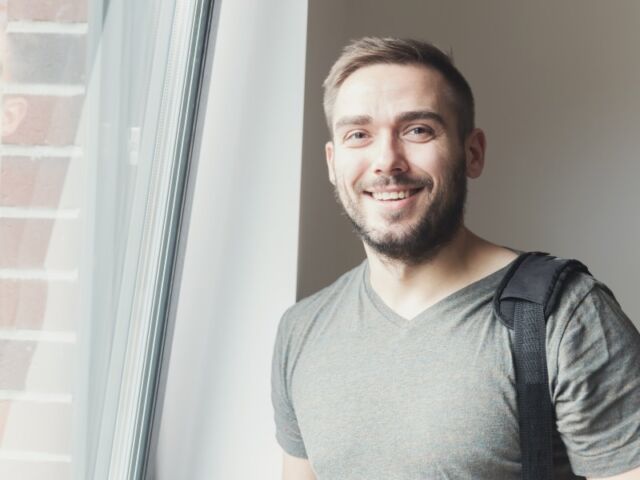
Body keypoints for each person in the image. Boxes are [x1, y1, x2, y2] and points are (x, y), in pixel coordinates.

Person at [271, 37, 640, 480]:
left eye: (418, 130)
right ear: (333, 163)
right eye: (358, 135)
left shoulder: (566, 316)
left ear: (473, 152)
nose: (386, 160)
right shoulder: (301, 331)